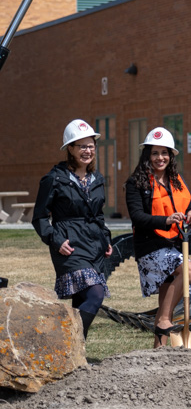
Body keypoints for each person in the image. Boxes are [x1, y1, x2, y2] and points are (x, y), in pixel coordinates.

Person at [32, 119, 113, 339]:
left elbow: (98, 215)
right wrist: (55, 240)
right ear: (70, 148)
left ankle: (77, 356)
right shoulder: (54, 178)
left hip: (94, 246)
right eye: (82, 146)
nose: (88, 151)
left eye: (91, 146)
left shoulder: (97, 179)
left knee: (82, 301)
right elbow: (39, 217)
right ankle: (67, 342)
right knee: (96, 294)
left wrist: (106, 238)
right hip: (69, 246)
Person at [124, 127, 191, 348]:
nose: (160, 158)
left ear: (171, 155)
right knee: (189, 269)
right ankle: (165, 320)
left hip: (174, 245)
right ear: (147, 155)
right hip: (150, 246)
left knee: (168, 292)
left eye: (164, 153)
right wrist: (165, 220)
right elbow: (137, 217)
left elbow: (188, 203)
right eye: (155, 153)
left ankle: (159, 348)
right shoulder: (136, 182)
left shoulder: (176, 179)